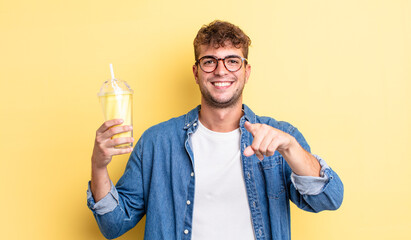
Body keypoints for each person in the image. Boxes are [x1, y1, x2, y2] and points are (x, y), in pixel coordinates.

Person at [87, 20, 344, 240]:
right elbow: (114, 225)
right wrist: (99, 165)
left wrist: (291, 148)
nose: (221, 70)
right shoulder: (157, 142)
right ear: (196, 72)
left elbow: (328, 199)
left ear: (246, 71)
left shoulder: (280, 137)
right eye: (209, 61)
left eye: (232, 61)